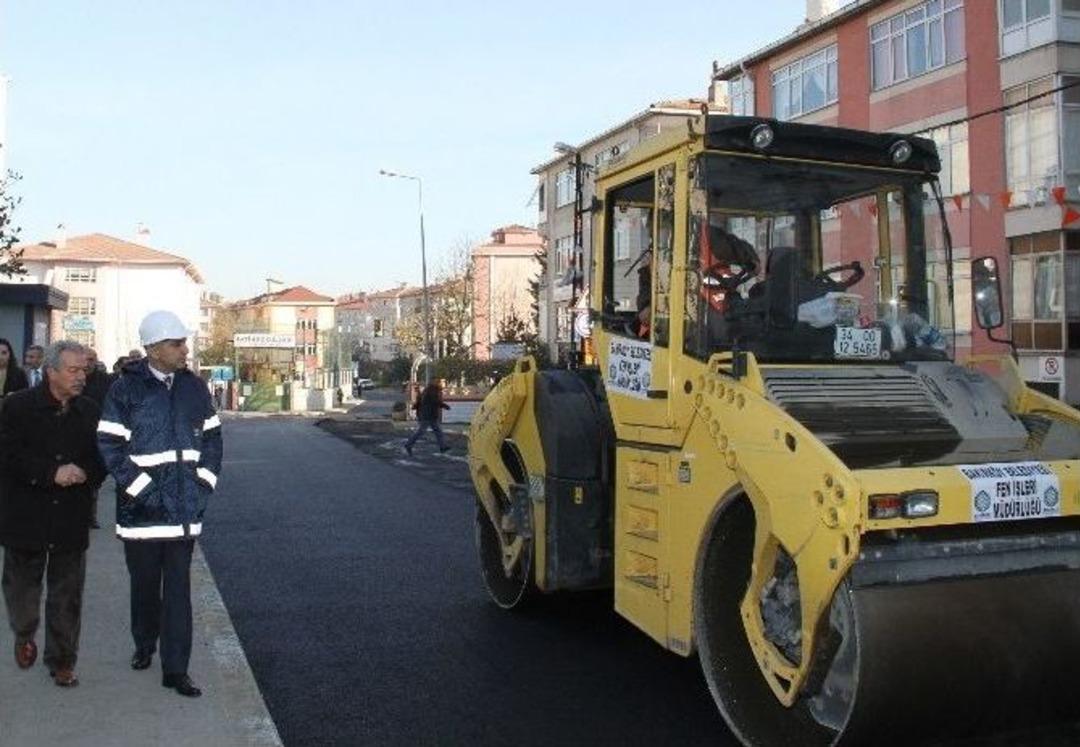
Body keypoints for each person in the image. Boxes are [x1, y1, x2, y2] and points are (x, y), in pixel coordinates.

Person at [98, 310, 223, 698]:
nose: (184, 349)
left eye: (184, 342)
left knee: (179, 594)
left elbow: (214, 440)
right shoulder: (124, 389)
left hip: (184, 513)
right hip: (142, 515)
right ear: (153, 349)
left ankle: (176, 670)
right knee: (145, 587)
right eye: (176, 343)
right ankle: (143, 641)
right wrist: (144, 491)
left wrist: (203, 484)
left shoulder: (195, 388)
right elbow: (109, 445)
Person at [0, 340, 106, 688]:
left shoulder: (89, 410)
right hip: (26, 516)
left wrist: (86, 473)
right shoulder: (18, 407)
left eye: (84, 371)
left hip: (70, 517)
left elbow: (102, 456)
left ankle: (62, 661)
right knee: (22, 592)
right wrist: (50, 473)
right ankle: (24, 632)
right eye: (73, 371)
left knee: (67, 595)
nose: (80, 377)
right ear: (51, 372)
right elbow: (8, 457)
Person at [81, 349, 110, 530]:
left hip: (98, 433)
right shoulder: (74, 378)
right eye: (86, 360)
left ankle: (91, 515)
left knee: (95, 477)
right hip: (76, 433)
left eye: (92, 360)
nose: (88, 363)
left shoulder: (104, 381)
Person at [403, 378, 450, 456]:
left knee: (437, 431)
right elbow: (435, 401)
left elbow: (423, 400)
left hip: (429, 415)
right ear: (437, 383)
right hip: (428, 415)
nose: (444, 384)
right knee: (422, 431)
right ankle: (408, 445)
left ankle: (443, 447)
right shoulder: (432, 390)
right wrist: (444, 405)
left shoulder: (430, 389)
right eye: (442, 382)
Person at [0, 338, 29, 405]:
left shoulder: (19, 373)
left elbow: (26, 395)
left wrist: (15, 395)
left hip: (11, 409)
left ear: (10, 354)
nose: (0, 357)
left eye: (4, 353)